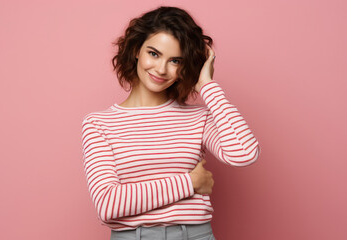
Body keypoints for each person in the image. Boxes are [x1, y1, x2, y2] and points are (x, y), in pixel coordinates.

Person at [81, 6, 260, 240]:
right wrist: (190, 182)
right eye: (153, 53)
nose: (161, 69)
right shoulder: (99, 124)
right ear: (136, 50)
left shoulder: (199, 119)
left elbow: (244, 154)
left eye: (175, 60)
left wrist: (207, 85)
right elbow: (108, 205)